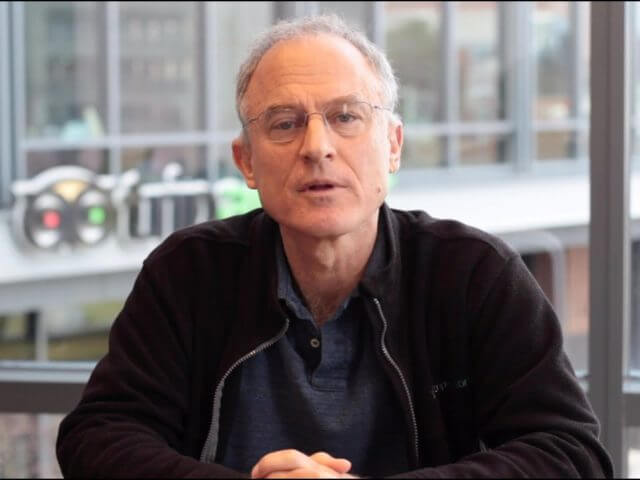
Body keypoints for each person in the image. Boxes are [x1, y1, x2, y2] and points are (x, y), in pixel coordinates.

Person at [56, 14, 613, 478]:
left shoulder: (473, 274)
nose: (317, 147)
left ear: (392, 145)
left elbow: (569, 454)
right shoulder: (189, 272)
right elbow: (98, 435)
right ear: (246, 161)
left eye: (346, 116)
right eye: (284, 124)